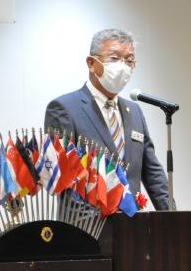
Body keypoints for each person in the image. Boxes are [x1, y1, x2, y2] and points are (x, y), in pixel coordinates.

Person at [43, 28, 169, 210]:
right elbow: (62, 176)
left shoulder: (134, 111)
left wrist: (174, 217)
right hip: (86, 223)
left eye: (129, 60)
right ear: (91, 63)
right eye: (114, 58)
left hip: (133, 223)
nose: (123, 67)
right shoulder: (64, 109)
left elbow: (153, 173)